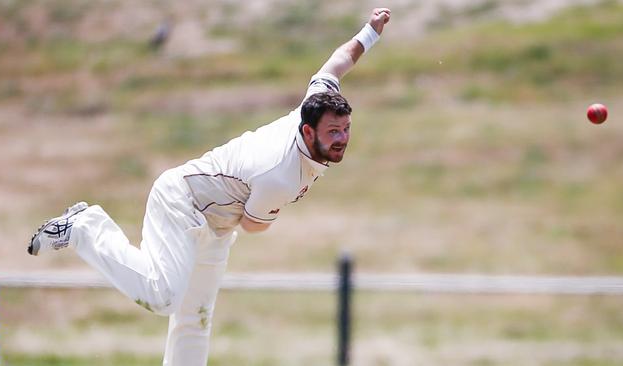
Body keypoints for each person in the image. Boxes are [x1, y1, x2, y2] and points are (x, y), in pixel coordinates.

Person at [28, 8, 391, 366]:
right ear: (308, 131)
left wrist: (370, 32)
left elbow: (340, 60)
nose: (342, 138)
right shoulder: (281, 172)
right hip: (182, 203)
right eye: (333, 133)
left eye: (345, 129)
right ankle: (86, 229)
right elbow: (253, 225)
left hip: (216, 224)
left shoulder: (315, 102)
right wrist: (274, 209)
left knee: (195, 319)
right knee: (163, 297)